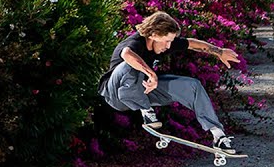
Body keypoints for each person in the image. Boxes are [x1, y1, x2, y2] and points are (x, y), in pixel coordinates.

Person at [98, 11, 241, 154]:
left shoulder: (166, 43)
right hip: (115, 94)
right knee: (130, 64)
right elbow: (127, 54)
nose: (168, 46)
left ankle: (218, 136)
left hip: (143, 90)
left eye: (171, 41)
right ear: (153, 34)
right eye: (166, 41)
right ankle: (146, 111)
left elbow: (191, 43)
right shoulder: (135, 42)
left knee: (193, 86)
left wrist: (219, 52)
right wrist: (151, 74)